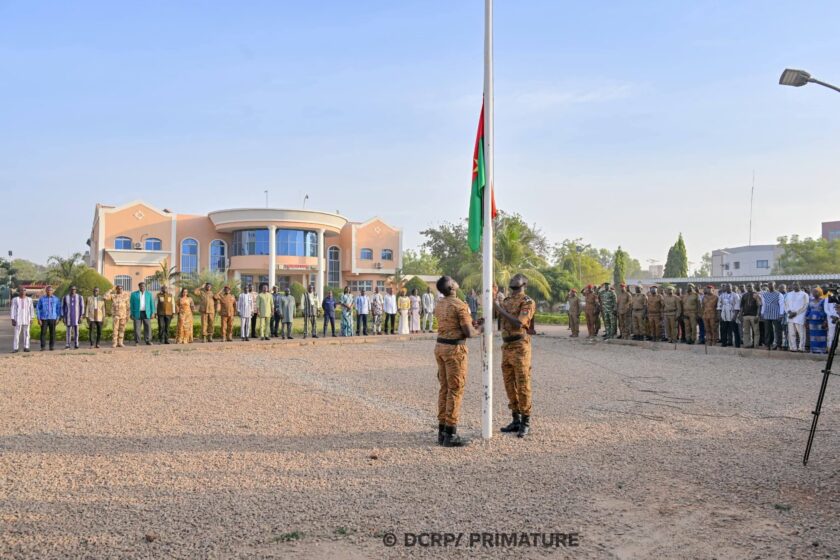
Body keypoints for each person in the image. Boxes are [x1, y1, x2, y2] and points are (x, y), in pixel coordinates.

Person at [434, 276, 480, 447]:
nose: (455, 281)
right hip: (454, 350)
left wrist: (471, 324)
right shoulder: (460, 305)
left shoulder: (440, 303)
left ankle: (442, 431)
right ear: (452, 286)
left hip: (440, 347)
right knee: (455, 390)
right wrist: (478, 329)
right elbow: (468, 333)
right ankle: (450, 434)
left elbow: (452, 323)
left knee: (444, 389)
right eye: (453, 280)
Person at [495, 274, 536, 438]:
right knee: (509, 384)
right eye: (512, 278)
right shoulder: (505, 301)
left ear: (524, 283)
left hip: (520, 346)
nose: (513, 279)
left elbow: (520, 323)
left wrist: (499, 310)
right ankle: (516, 419)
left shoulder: (527, 301)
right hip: (506, 345)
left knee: (522, 384)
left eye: (517, 278)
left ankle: (526, 421)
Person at [36, 286, 62, 351]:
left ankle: (51, 346)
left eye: (50, 290)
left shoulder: (56, 299)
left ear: (52, 291)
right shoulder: (42, 299)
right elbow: (38, 309)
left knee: (52, 333)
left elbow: (58, 309)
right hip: (44, 318)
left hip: (53, 318)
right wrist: (39, 319)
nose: (49, 291)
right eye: (48, 290)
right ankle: (43, 347)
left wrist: (58, 318)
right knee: (43, 333)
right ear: (46, 291)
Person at [784, 282, 809, 352]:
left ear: (800, 285)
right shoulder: (789, 294)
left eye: (796, 285)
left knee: (801, 334)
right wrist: (788, 311)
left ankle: (801, 348)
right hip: (790, 316)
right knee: (791, 333)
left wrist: (796, 313)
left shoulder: (804, 294)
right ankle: (793, 348)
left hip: (799, 317)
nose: (794, 286)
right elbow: (785, 304)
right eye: (793, 285)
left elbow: (805, 306)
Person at [760, 282, 784, 350]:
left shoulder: (779, 294)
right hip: (767, 314)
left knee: (778, 330)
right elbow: (763, 305)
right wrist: (762, 313)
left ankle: (779, 345)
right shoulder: (764, 294)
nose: (770, 286)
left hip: (776, 314)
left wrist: (781, 314)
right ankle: (768, 345)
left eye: (771, 285)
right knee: (767, 331)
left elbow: (782, 305)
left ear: (774, 286)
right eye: (768, 285)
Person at [10, 287, 34, 353]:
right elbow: (13, 309)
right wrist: (12, 319)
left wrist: (32, 318)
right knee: (16, 334)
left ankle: (26, 347)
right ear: (19, 292)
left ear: (26, 292)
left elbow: (31, 309)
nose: (23, 291)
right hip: (18, 318)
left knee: (27, 334)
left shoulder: (29, 299)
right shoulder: (15, 299)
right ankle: (15, 348)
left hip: (27, 318)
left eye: (24, 290)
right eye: (21, 290)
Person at [717, 284, 741, 348]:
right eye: (726, 287)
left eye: (729, 287)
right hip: (724, 316)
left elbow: (737, 306)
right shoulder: (722, 295)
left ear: (731, 288)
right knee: (723, 330)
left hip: (732, 316)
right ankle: (724, 343)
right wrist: (719, 316)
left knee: (735, 331)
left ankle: (737, 344)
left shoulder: (735, 295)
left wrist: (735, 316)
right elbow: (719, 306)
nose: (727, 288)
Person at [806, 287, 828, 355]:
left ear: (820, 292)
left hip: (821, 321)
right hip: (812, 321)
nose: (815, 293)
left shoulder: (824, 301)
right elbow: (808, 310)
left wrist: (825, 321)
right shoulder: (810, 301)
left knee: (821, 336)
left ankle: (822, 350)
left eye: (816, 292)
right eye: (814, 292)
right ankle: (813, 349)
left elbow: (826, 311)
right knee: (813, 336)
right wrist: (806, 320)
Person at [740, 283, 762, 348]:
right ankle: (747, 344)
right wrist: (740, 315)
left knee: (756, 331)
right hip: (745, 316)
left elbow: (759, 306)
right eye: (748, 286)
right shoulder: (744, 295)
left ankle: (756, 345)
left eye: (750, 286)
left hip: (754, 316)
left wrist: (757, 315)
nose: (749, 287)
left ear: (753, 287)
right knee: (746, 331)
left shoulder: (756, 295)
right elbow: (741, 306)